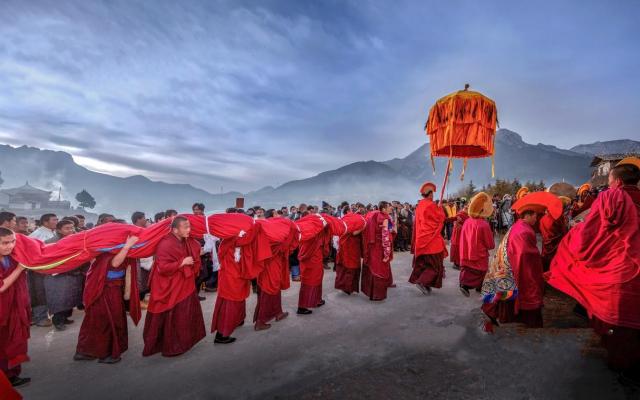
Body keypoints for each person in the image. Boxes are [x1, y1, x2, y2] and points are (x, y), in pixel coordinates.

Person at [547, 158, 640, 385]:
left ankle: (625, 367)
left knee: (618, 323)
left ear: (616, 181)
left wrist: (571, 241)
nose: (607, 183)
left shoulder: (610, 197)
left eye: (609, 179)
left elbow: (589, 233)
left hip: (622, 268)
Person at [142, 216, 205, 357]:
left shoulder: (183, 239)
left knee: (183, 313)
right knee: (174, 314)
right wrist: (182, 262)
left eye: (189, 226)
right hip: (169, 284)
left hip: (183, 283)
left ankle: (183, 342)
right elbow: (163, 267)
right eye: (186, 227)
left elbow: (193, 246)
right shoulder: (166, 243)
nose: (189, 230)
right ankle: (171, 346)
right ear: (175, 230)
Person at [482, 198, 548, 329]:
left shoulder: (518, 225)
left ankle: (496, 313)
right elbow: (524, 255)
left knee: (505, 293)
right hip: (511, 266)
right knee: (527, 290)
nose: (537, 219)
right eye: (535, 216)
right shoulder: (524, 231)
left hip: (504, 264)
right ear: (527, 215)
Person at [74, 235, 140, 364]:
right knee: (108, 320)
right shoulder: (107, 252)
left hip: (112, 288)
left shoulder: (111, 249)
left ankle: (85, 351)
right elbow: (115, 263)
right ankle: (105, 353)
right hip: (105, 291)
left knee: (96, 321)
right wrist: (127, 245)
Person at [253, 217, 298, 331]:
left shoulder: (269, 232)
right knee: (270, 289)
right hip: (271, 264)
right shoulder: (275, 235)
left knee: (273, 289)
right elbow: (285, 246)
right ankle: (260, 321)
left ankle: (278, 312)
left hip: (266, 262)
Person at [0, 227, 30, 387]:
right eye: (5, 243)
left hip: (14, 307)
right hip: (2, 309)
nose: (10, 246)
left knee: (14, 341)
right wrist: (20, 268)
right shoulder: (15, 262)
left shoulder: (11, 257)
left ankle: (11, 375)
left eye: (12, 242)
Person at [44, 220, 84, 331]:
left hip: (74, 274)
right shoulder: (51, 242)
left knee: (71, 298)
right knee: (59, 299)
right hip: (58, 276)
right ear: (59, 230)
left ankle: (65, 318)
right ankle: (58, 322)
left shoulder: (78, 240)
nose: (71, 230)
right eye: (67, 228)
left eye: (72, 228)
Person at [409, 182, 447, 295]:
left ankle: (425, 283)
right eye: (432, 194)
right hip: (431, 241)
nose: (433, 196)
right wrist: (440, 209)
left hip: (422, 238)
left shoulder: (420, 205)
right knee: (434, 266)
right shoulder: (431, 205)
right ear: (429, 194)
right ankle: (422, 282)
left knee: (424, 264)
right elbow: (439, 219)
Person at [458, 193, 495, 296]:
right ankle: (477, 287)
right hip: (479, 255)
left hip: (466, 254)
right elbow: (490, 244)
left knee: (468, 271)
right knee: (480, 272)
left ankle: (464, 284)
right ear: (482, 210)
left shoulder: (467, 222)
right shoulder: (483, 224)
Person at [296, 215, 330, 315]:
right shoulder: (308, 232)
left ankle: (317, 300)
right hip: (310, 260)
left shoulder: (316, 229)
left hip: (317, 259)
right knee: (308, 282)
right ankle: (302, 307)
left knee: (318, 279)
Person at [361, 202, 394, 301]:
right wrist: (387, 253)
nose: (391, 208)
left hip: (373, 246)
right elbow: (385, 237)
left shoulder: (374, 215)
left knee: (374, 268)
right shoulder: (384, 219)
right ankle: (378, 295)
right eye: (389, 207)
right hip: (380, 248)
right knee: (380, 269)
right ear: (383, 209)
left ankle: (371, 293)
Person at [334, 209, 364, 295]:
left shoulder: (344, 220)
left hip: (345, 246)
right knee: (351, 267)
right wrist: (363, 227)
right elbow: (354, 233)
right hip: (351, 247)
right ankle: (348, 288)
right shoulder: (353, 221)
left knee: (344, 267)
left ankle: (345, 287)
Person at [449, 204, 469, 269]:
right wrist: (458, 224)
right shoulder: (460, 214)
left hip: (463, 233)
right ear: (464, 208)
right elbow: (455, 224)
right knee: (457, 247)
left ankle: (461, 263)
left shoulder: (468, 215)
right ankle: (456, 264)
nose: (467, 210)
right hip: (458, 234)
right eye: (466, 208)